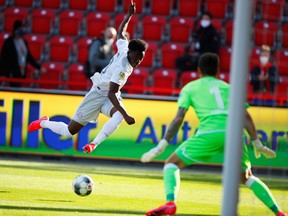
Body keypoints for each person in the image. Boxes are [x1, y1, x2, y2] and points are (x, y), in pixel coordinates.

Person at [141, 53, 286, 216]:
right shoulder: (229, 88)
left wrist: (161, 145)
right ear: (218, 71)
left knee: (171, 164)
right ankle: (279, 213)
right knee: (247, 177)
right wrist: (257, 142)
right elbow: (245, 116)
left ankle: (170, 203)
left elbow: (179, 118)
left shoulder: (190, 87)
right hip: (234, 133)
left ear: (198, 70)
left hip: (210, 133)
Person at [28, 1, 147, 154]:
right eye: (137, 57)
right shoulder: (122, 69)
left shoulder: (125, 48)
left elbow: (121, 33)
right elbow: (111, 93)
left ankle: (93, 144)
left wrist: (129, 15)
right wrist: (127, 115)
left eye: (141, 59)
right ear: (131, 52)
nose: (138, 61)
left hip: (109, 94)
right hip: (98, 94)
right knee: (69, 132)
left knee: (118, 116)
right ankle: (44, 123)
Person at [0, 20, 45, 87]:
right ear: (16, 30)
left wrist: (39, 67)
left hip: (22, 72)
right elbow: (3, 58)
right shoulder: (8, 42)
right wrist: (2, 74)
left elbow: (29, 57)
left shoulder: (24, 42)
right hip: (12, 74)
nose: (22, 30)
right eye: (20, 29)